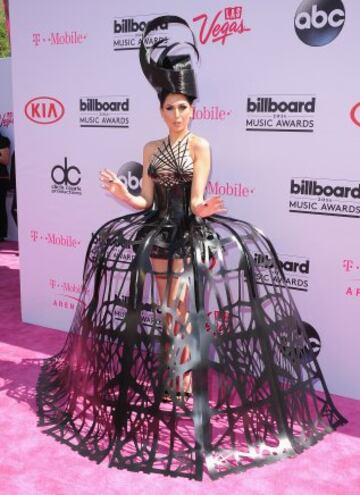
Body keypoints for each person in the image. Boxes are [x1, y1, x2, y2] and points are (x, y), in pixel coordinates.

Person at [36, 16, 346, 481]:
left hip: (186, 234)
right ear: (160, 110)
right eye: (169, 107)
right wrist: (121, 195)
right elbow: (145, 199)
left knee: (182, 308)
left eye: (182, 106)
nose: (176, 113)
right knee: (164, 308)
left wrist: (202, 210)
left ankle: (180, 383)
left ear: (191, 108)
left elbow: (197, 197)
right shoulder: (149, 148)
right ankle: (171, 376)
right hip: (154, 233)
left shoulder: (200, 146)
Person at [0, 132, 11, 241]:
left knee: (1, 207)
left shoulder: (3, 140)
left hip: (1, 179)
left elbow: (5, 160)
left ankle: (1, 235)